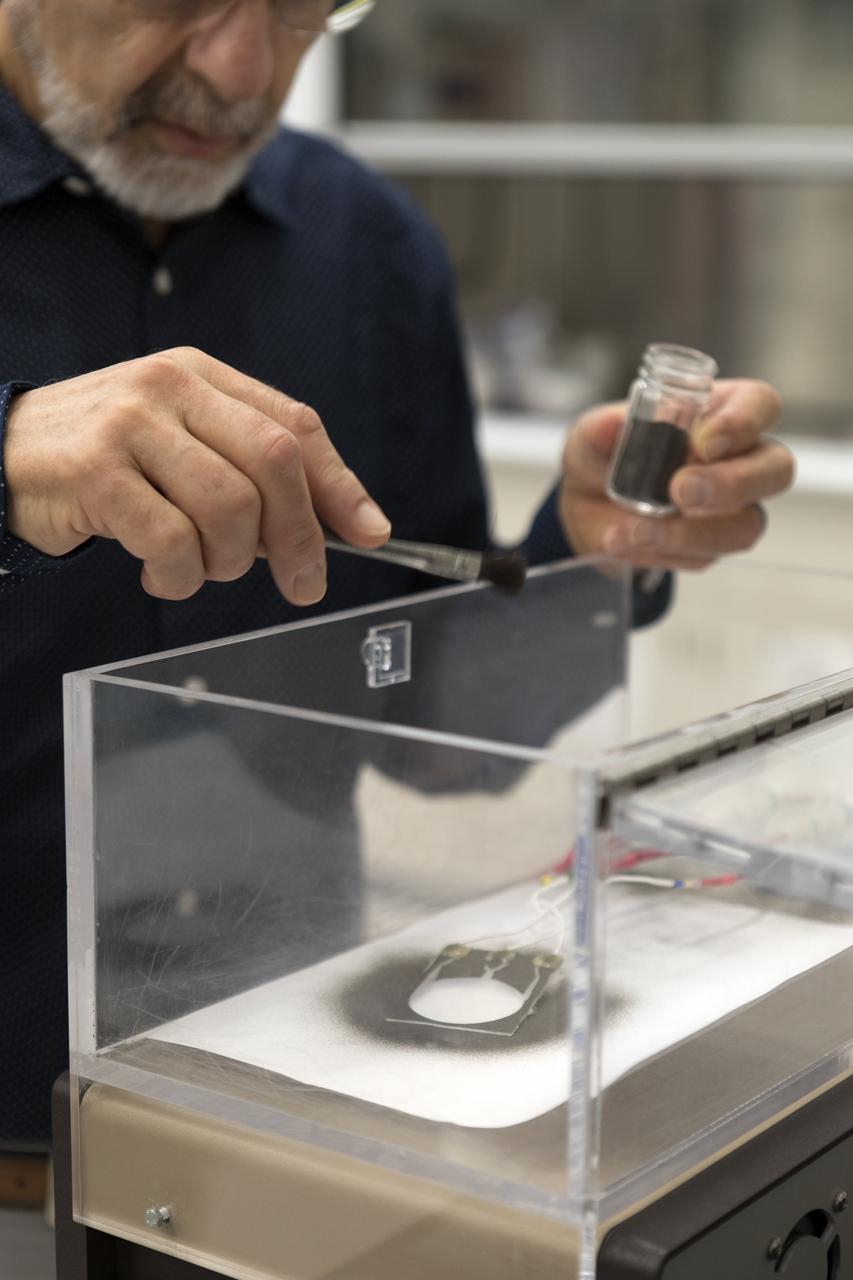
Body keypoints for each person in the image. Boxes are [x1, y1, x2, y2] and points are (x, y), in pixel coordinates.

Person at [0, 0, 791, 1191]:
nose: (245, 70)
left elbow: (431, 726)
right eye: (183, 0)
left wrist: (590, 555)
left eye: (306, 11)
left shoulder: (368, 248)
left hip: (292, 1132)